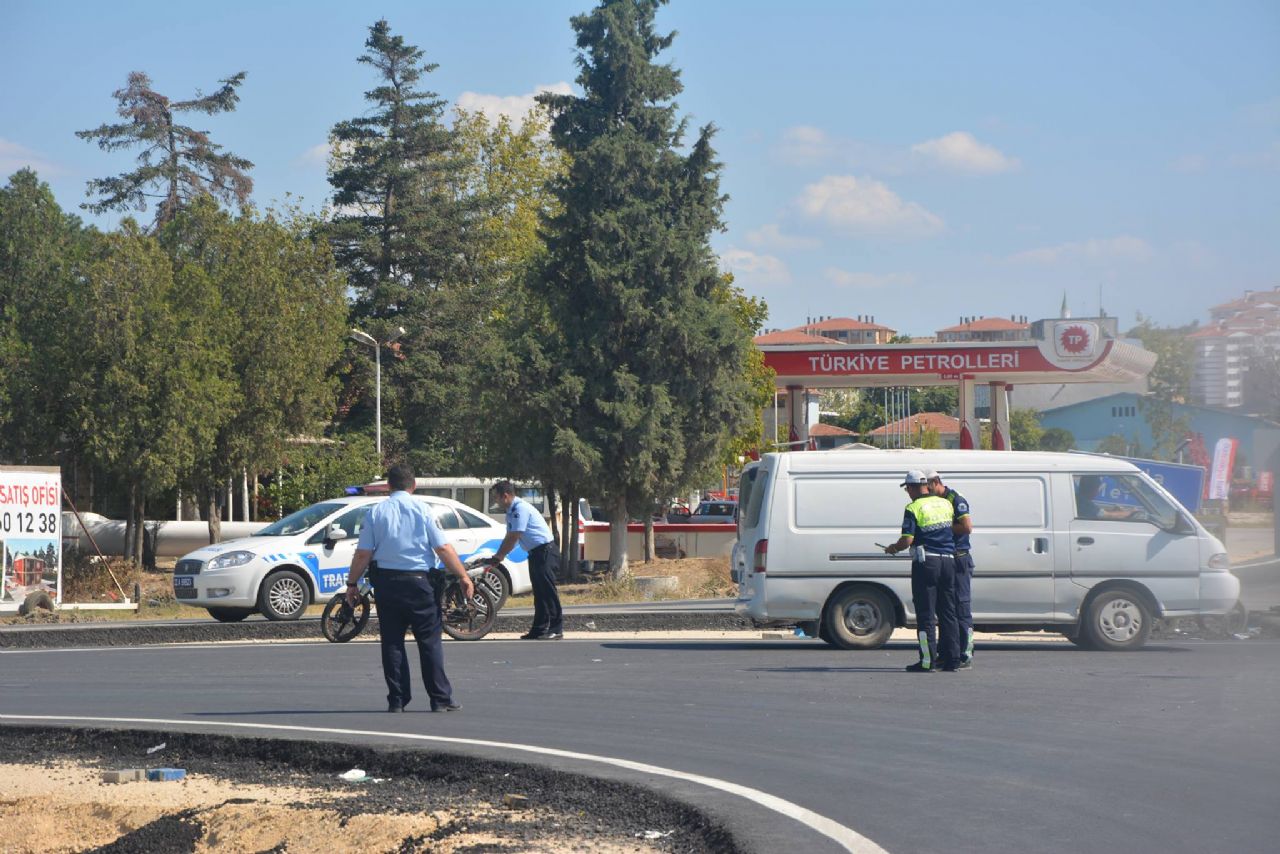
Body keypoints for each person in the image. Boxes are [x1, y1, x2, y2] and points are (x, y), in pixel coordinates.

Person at [345, 463, 475, 713]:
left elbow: (363, 553)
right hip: (420, 583)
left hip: (387, 584)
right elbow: (443, 548)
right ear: (413, 485)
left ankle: (397, 700)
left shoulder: (375, 512)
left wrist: (352, 584)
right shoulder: (423, 510)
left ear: (389, 486)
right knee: (429, 642)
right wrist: (463, 576)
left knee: (392, 643)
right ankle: (440, 698)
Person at [884, 470, 961, 672]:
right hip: (949, 561)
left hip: (927, 563)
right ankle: (953, 659)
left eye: (907, 489)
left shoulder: (913, 507)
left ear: (911, 487)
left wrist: (893, 547)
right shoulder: (945, 503)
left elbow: (907, 539)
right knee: (948, 613)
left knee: (926, 614)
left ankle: (928, 661)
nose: (907, 493)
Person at [491, 480, 563, 640]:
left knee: (548, 591)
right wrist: (498, 555)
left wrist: (500, 556)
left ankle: (556, 628)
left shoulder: (520, 509)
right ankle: (539, 628)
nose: (495, 501)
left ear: (505, 496)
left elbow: (514, 536)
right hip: (535, 553)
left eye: (496, 497)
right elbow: (509, 536)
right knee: (539, 592)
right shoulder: (511, 511)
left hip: (545, 551)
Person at [926, 469, 975, 669]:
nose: (926, 492)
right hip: (946, 558)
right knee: (946, 609)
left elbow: (966, 527)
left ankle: (965, 653)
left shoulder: (956, 499)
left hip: (959, 558)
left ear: (936, 482)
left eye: (929, 487)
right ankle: (947, 653)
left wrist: (942, 528)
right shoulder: (935, 502)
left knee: (961, 608)